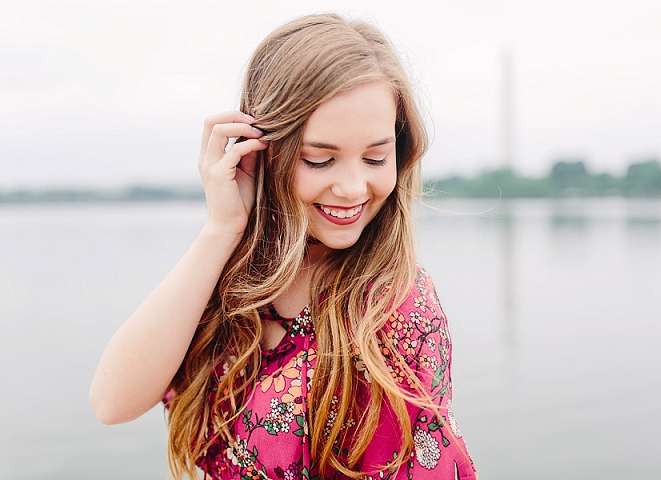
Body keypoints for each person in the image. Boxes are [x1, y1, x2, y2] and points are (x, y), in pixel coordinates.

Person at [90, 13, 477, 480]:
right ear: (262, 150)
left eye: (376, 157)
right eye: (320, 159)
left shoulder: (396, 308)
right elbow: (112, 402)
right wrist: (221, 229)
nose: (353, 188)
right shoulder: (234, 277)